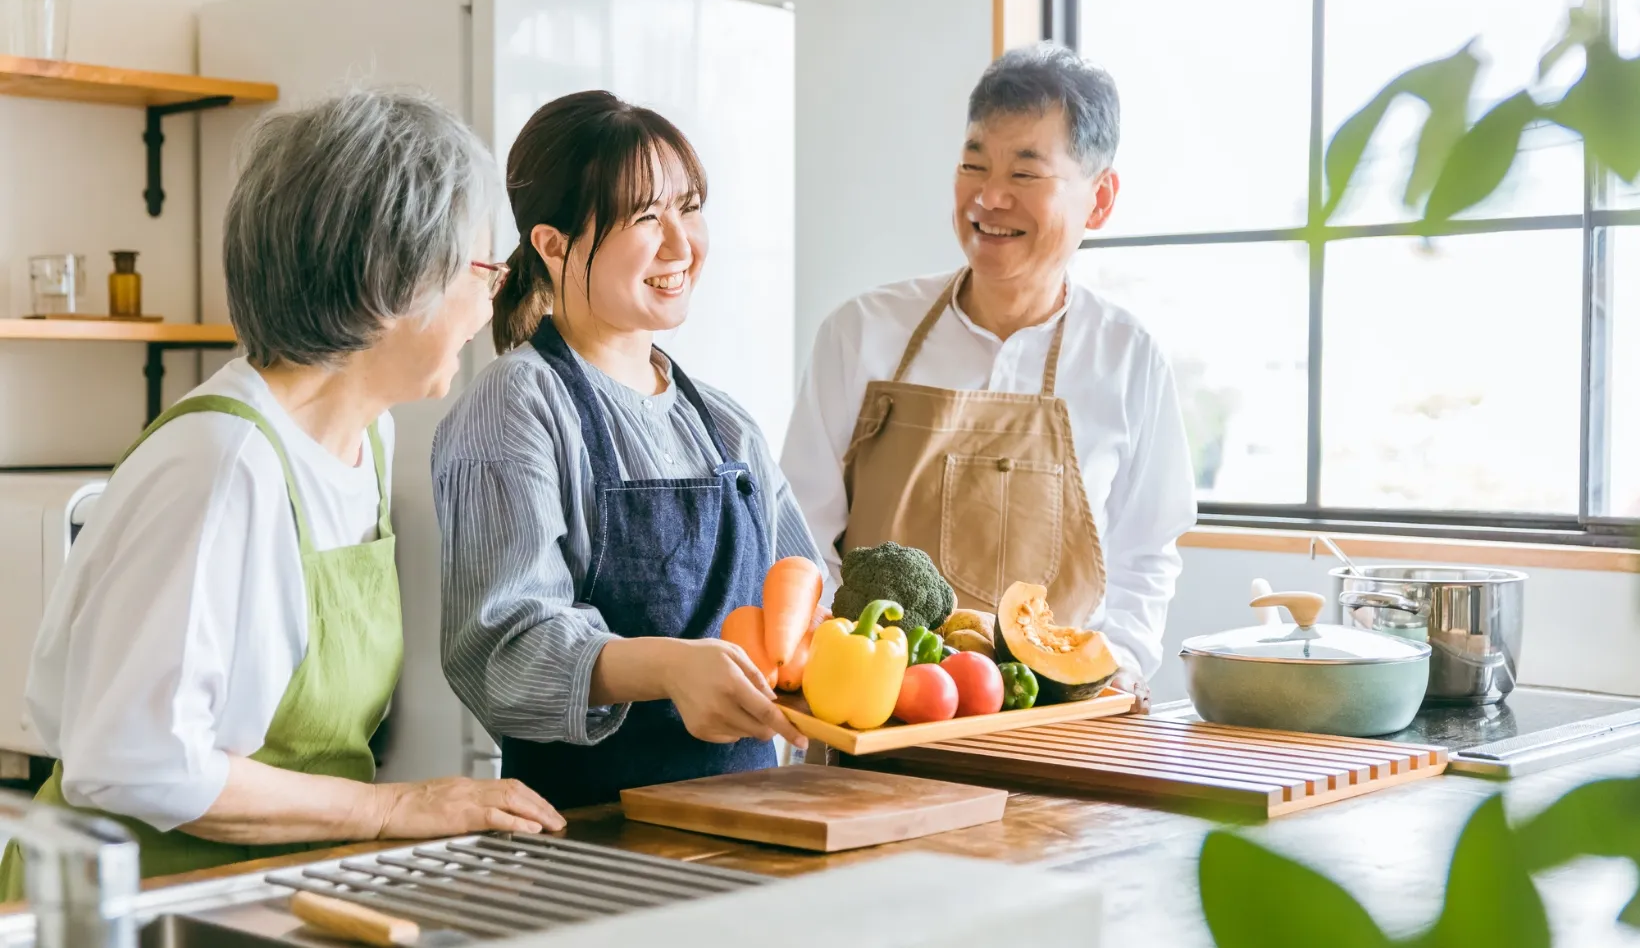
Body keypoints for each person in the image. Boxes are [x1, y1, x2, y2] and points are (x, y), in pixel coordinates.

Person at [0, 89, 561, 897]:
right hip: (136, 905)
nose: (491, 298)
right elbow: (134, 764)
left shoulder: (368, 436)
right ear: (388, 278)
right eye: (481, 269)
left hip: (267, 888)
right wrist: (391, 808)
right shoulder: (219, 466)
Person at [781, 44, 1197, 710]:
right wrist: (842, 666)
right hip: (876, 719)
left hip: (1057, 724)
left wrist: (1117, 660)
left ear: (1100, 199)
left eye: (1025, 174)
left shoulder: (1129, 356)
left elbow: (1146, 552)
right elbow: (799, 533)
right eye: (974, 164)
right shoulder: (859, 333)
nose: (989, 196)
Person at [433, 91, 817, 811]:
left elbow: (802, 602)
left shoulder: (725, 425)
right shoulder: (517, 405)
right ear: (551, 244)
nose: (681, 245)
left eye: (690, 207)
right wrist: (669, 669)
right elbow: (499, 652)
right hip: (595, 840)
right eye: (645, 218)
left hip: (762, 823)